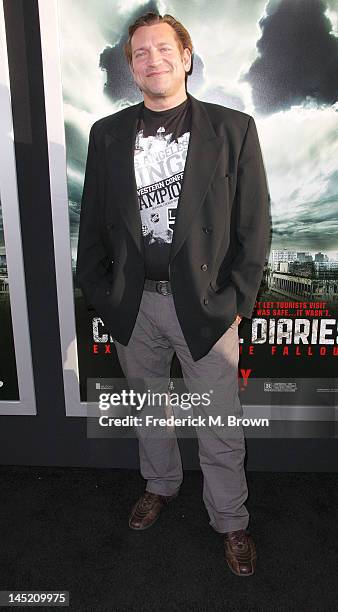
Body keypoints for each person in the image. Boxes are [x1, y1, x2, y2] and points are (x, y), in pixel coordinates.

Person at [76, 12, 270, 577]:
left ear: (186, 57)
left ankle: (231, 520)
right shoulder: (106, 134)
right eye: (140, 53)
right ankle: (159, 486)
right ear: (131, 66)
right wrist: (102, 292)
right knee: (148, 410)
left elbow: (253, 228)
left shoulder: (233, 129)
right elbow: (91, 223)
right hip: (133, 307)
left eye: (164, 49)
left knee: (219, 420)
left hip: (206, 307)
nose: (152, 60)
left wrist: (235, 302)